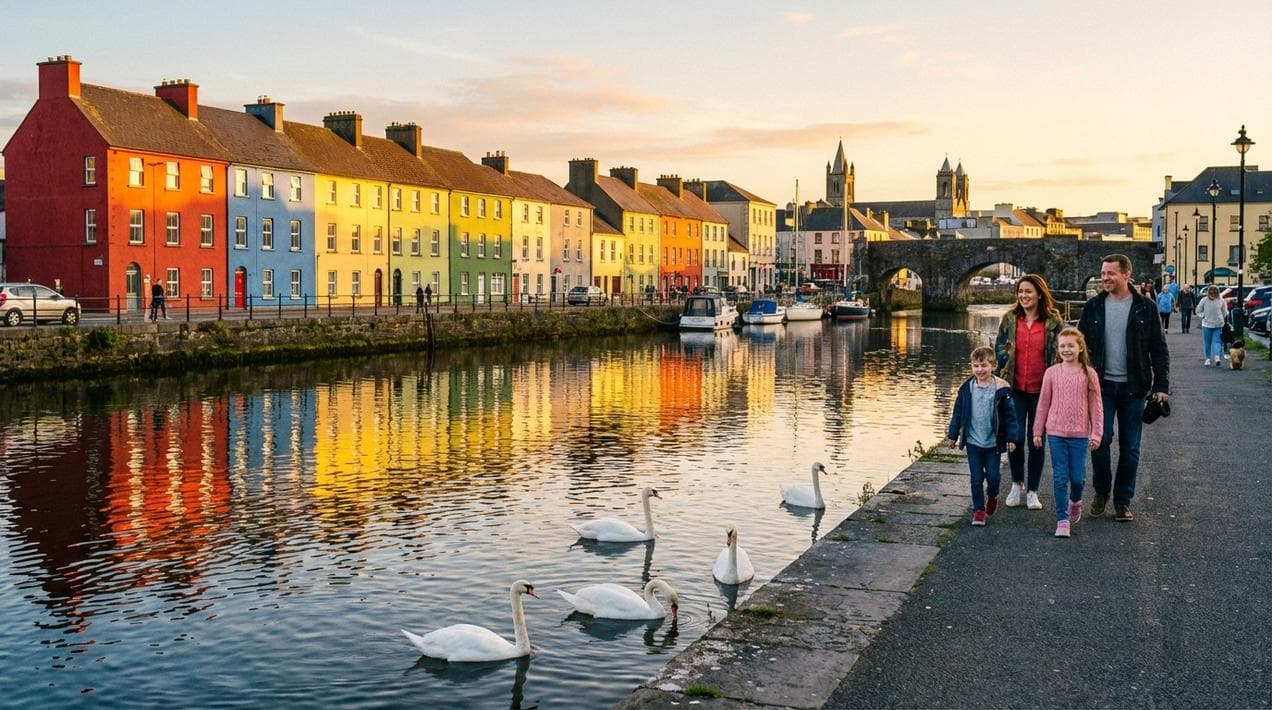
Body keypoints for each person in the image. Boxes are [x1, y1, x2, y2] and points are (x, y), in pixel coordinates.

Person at [1077, 254, 1170, 523]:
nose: (1104, 278)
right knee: (1101, 440)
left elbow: (1159, 350)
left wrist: (1161, 386)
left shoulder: (1145, 307)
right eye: (1102, 273)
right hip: (1101, 386)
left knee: (1130, 448)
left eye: (1110, 274)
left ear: (1126, 275)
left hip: (1134, 387)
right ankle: (1101, 492)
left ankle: (1122, 500)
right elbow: (1081, 347)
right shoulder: (1093, 306)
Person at [994, 273, 1065, 510]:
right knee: (1014, 439)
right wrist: (1002, 376)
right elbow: (1000, 350)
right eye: (1020, 292)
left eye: (1028, 291)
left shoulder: (1053, 321)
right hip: (1014, 389)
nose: (1024, 296)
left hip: (1042, 390)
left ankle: (1033, 491)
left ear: (1039, 294)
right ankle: (1017, 484)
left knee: (1037, 441)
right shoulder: (1009, 319)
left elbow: (1062, 351)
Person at [1033, 327, 1103, 538]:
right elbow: (1043, 404)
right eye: (1062, 346)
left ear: (1080, 347)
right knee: (1060, 477)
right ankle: (1062, 520)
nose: (1066, 349)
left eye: (1071, 345)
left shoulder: (1089, 374)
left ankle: (1076, 500)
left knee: (1078, 478)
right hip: (1056, 433)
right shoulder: (1051, 373)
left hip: (1080, 435)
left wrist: (1096, 433)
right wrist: (1038, 431)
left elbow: (1096, 406)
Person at [944, 346, 1021, 527]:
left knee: (993, 476)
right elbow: (957, 414)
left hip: (993, 442)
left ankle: (993, 495)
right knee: (976, 477)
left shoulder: (1001, 389)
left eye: (984, 365)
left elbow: (1011, 416)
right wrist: (953, 435)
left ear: (993, 365)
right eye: (976, 366)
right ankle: (979, 510)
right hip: (973, 442)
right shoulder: (966, 389)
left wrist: (1012, 438)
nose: (980, 370)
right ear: (971, 366)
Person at [1194, 286, 1228, 366]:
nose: (1213, 294)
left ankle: (1211, 358)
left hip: (1215, 324)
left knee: (1211, 342)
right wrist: (1204, 316)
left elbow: (1224, 312)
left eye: (1214, 292)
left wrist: (1204, 316)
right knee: (1214, 342)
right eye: (1211, 292)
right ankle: (1213, 357)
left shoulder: (1220, 300)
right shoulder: (1205, 300)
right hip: (1209, 324)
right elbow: (1198, 311)